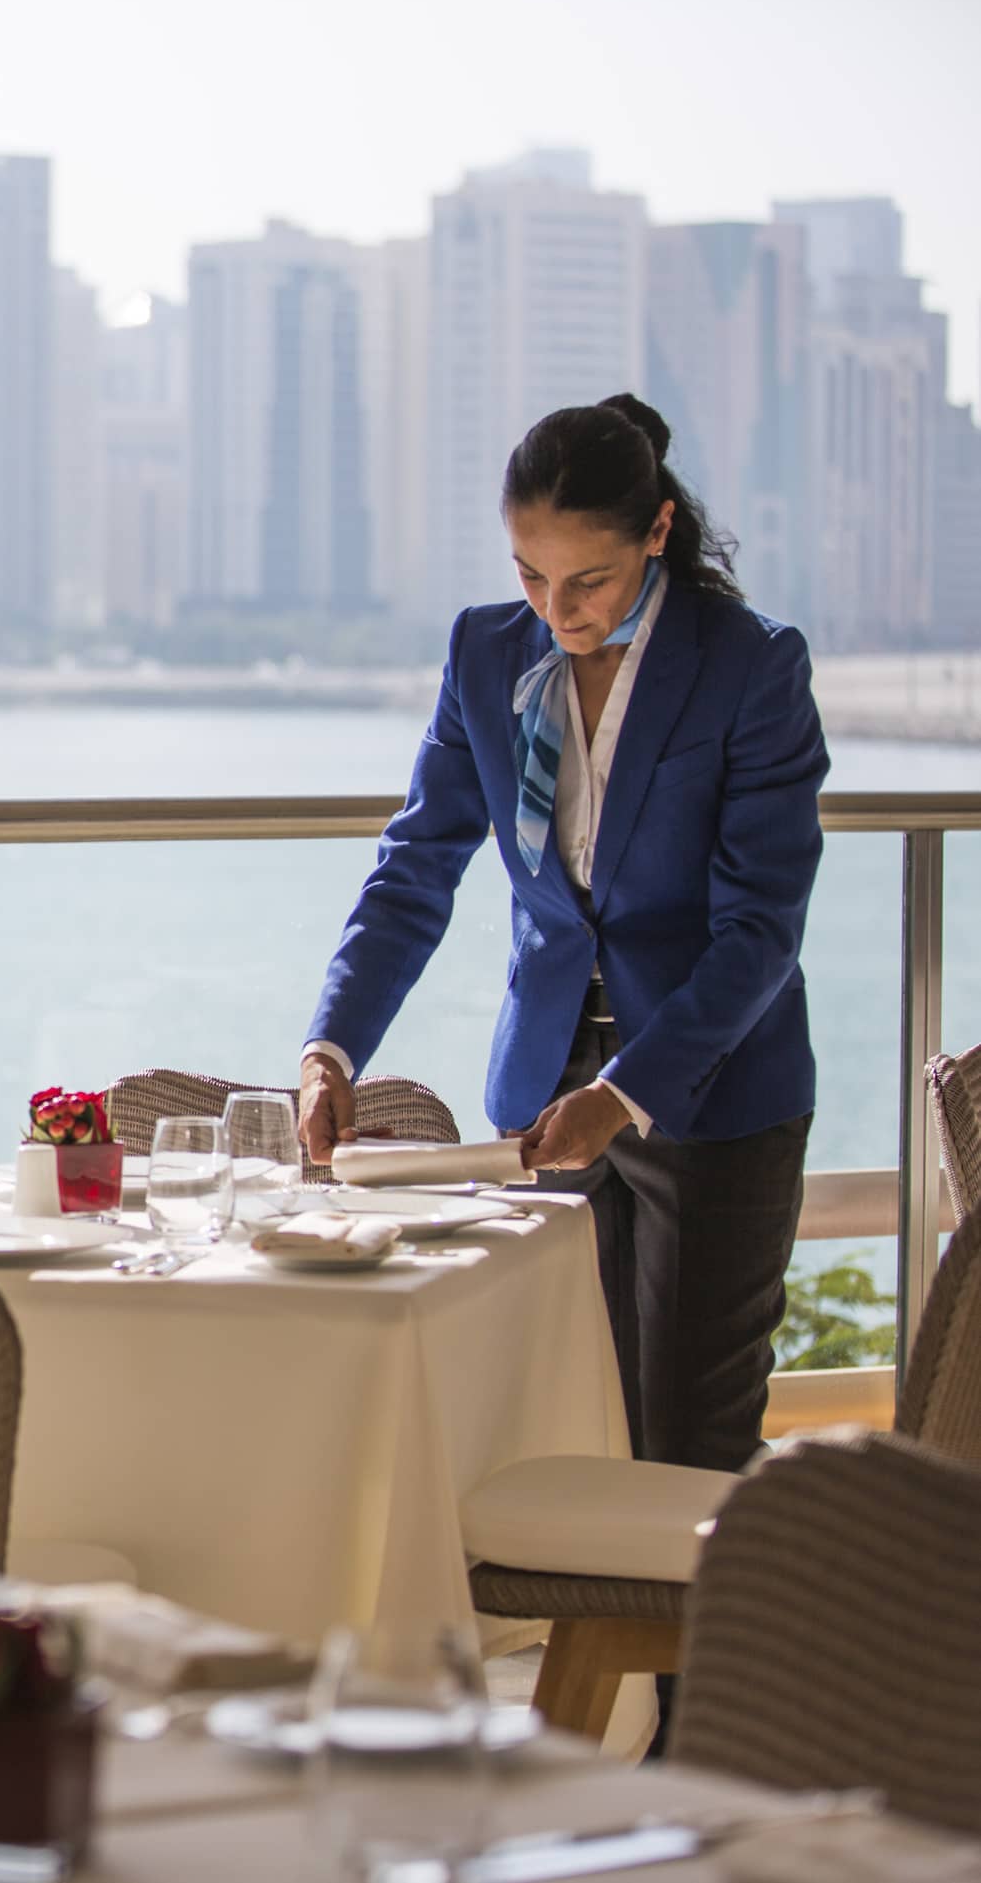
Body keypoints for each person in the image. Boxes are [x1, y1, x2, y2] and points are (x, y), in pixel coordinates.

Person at [299, 392, 829, 1477]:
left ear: (657, 532)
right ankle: (604, 1658)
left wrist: (626, 1094)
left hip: (713, 1091)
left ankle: (714, 1659)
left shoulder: (751, 667)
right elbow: (414, 870)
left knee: (690, 1446)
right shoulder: (486, 657)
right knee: (571, 1432)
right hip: (541, 1090)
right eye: (529, 574)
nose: (556, 608)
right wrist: (332, 1046)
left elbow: (759, 931)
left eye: (586, 579)